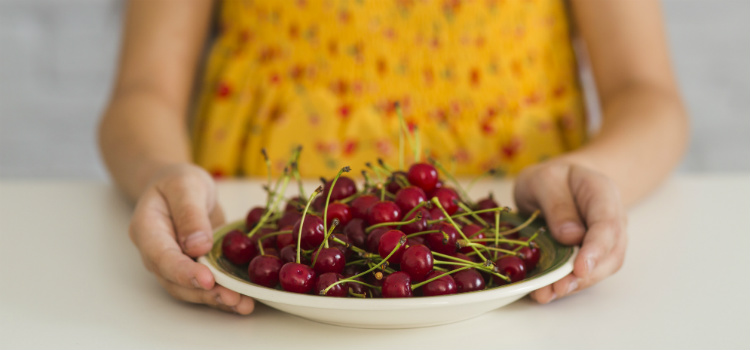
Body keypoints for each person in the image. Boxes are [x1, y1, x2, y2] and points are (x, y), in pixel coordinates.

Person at [99, 0, 688, 315]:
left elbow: (648, 94)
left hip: (507, 277)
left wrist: (593, 175)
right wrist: (162, 173)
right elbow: (141, 91)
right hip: (263, 291)